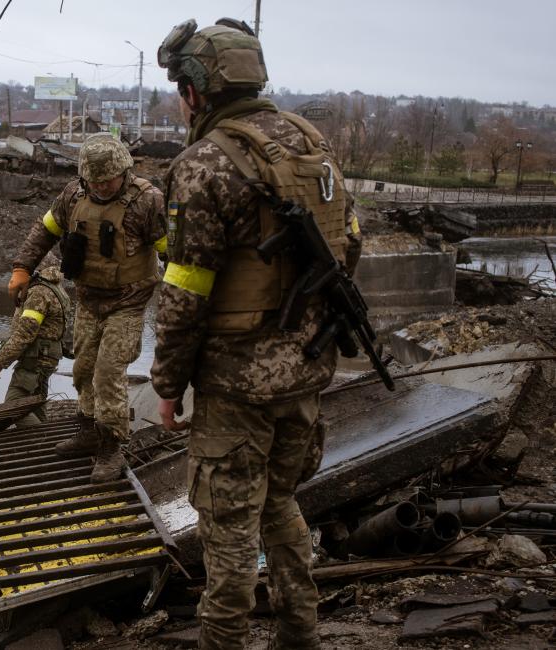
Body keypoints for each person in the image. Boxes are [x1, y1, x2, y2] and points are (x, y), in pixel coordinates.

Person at [151, 18, 363, 650]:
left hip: (236, 384)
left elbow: (185, 293)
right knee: (281, 506)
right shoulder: (311, 143)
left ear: (195, 90)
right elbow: (347, 247)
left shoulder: (203, 164)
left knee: (229, 534)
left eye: (180, 88)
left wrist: (168, 384)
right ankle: (301, 636)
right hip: (306, 368)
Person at [9, 132, 168, 482]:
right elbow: (45, 230)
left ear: (123, 172)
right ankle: (87, 429)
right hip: (88, 299)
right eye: (94, 181)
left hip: (128, 303)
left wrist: (180, 299)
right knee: (82, 369)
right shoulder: (73, 195)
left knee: (109, 373)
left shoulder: (148, 202)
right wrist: (22, 267)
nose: (101, 187)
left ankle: (111, 448)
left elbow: (174, 253)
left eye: (107, 181)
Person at [0, 264, 71, 427]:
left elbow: (25, 333)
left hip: (35, 360)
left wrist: (0, 362)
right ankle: (47, 441)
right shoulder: (55, 287)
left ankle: (45, 443)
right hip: (47, 358)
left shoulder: (38, 292)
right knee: (36, 406)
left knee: (13, 407)